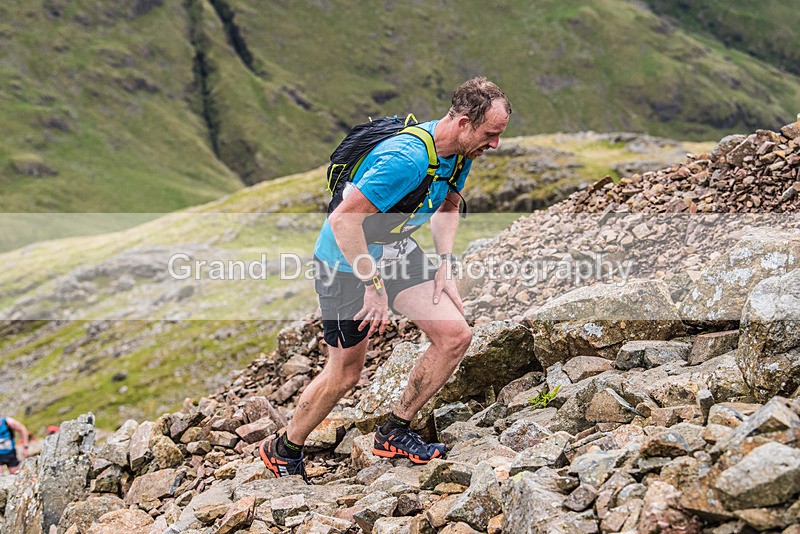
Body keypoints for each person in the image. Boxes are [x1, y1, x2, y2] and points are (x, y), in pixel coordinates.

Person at [260, 77, 511, 481]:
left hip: (393, 250)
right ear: (464, 123)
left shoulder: (460, 154)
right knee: (345, 374)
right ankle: (284, 448)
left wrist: (444, 263)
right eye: (490, 134)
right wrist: (372, 285)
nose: (494, 144)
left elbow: (447, 206)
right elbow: (344, 220)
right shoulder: (407, 159)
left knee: (454, 337)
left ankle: (395, 430)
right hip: (345, 262)